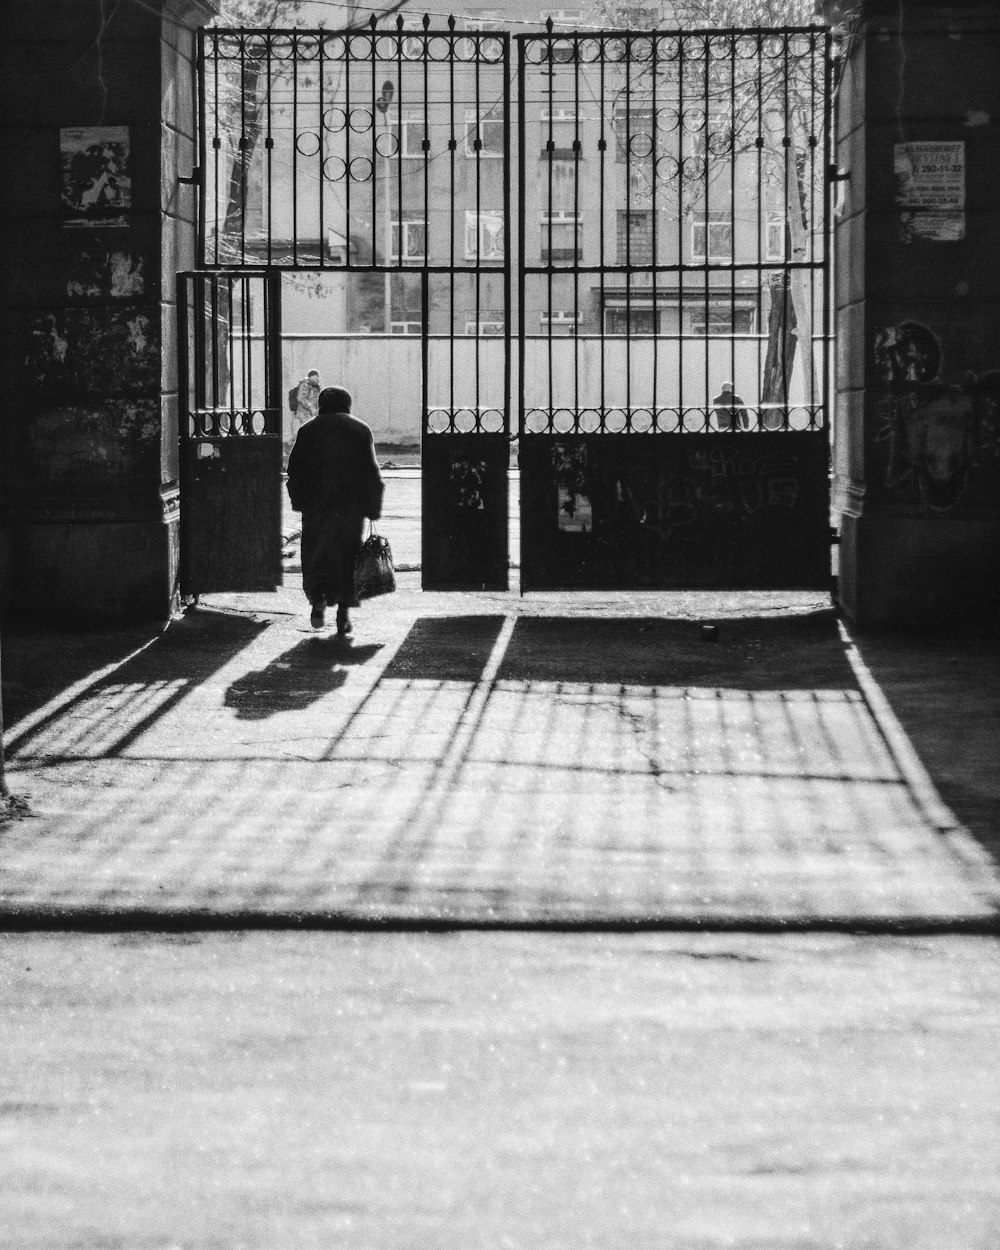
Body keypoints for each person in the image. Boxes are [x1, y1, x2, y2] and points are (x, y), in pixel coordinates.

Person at [286, 386, 384, 634]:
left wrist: (299, 501)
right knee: (348, 558)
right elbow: (371, 472)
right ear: (347, 404)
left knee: (316, 555)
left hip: (316, 507)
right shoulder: (360, 430)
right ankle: (343, 614)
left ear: (321, 405)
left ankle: (318, 599)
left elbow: (294, 470)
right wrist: (373, 506)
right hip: (350, 509)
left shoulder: (307, 430)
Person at [286, 369, 321, 463]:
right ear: (311, 377)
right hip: (304, 414)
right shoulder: (305, 385)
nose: (317, 379)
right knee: (304, 432)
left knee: (306, 432)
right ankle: (290, 446)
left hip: (311, 414)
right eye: (316, 377)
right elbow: (301, 398)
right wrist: (311, 408)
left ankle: (295, 447)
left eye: (318, 377)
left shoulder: (315, 386)